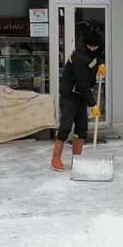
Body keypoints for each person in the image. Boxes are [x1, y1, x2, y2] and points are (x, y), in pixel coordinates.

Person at [50, 30, 106, 171]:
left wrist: (101, 64)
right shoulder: (79, 57)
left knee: (82, 128)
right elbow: (83, 83)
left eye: (95, 47)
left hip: (81, 95)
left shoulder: (96, 48)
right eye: (90, 46)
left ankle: (77, 159)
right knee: (66, 126)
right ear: (86, 44)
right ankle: (56, 158)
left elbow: (98, 56)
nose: (93, 49)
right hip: (70, 94)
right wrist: (93, 104)